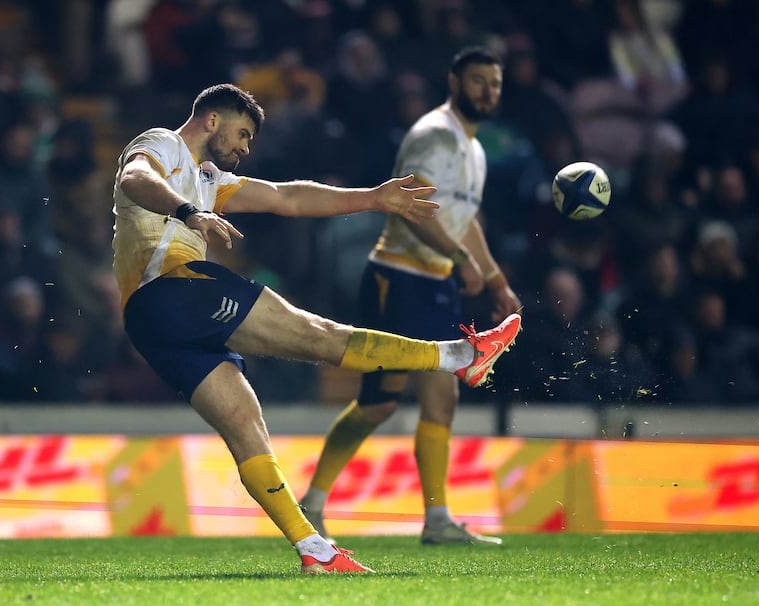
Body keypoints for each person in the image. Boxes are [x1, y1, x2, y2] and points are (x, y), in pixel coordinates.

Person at [112, 83, 522, 573]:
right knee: (320, 336)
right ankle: (460, 356)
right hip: (174, 286)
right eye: (242, 134)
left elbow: (287, 198)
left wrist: (373, 198)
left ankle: (314, 550)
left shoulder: (208, 178)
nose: (246, 148)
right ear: (212, 121)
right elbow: (134, 177)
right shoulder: (163, 145)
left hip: (149, 321)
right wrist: (189, 212)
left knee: (246, 425)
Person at [299, 47, 522, 546]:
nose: (489, 90)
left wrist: (495, 279)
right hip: (398, 277)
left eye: (496, 83)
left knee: (423, 398)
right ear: (454, 81)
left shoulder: (475, 149)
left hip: (432, 282)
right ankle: (412, 516)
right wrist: (463, 263)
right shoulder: (435, 135)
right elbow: (409, 207)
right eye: (479, 80)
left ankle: (422, 517)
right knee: (391, 403)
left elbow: (466, 225)